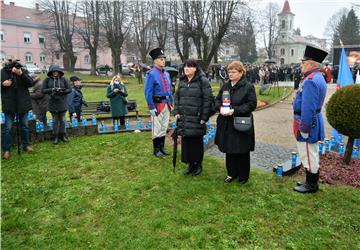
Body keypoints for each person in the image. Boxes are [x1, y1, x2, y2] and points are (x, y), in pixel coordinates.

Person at [292, 45, 328, 193]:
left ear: (312, 64)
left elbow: (308, 108)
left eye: (304, 62)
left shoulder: (310, 81)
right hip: (311, 119)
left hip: (307, 122)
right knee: (310, 153)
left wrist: (304, 128)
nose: (301, 65)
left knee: (308, 153)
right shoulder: (316, 77)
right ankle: (310, 181)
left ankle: (311, 184)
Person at [215, 61, 257, 184]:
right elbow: (217, 100)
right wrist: (220, 108)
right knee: (229, 149)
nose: (230, 74)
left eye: (233, 72)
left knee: (242, 149)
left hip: (240, 122)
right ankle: (231, 173)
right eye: (229, 71)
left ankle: (243, 175)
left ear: (241, 72)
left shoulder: (248, 86)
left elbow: (251, 104)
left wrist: (234, 110)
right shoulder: (225, 86)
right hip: (226, 123)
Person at [173, 59, 214, 176]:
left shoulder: (202, 81)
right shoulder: (182, 81)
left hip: (197, 117)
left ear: (195, 68)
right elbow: (177, 98)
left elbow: (208, 100)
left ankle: (198, 164)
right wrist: (176, 111)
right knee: (186, 142)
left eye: (189, 66)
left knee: (196, 142)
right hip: (185, 117)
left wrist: (204, 116)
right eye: (185, 66)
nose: (186, 68)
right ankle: (190, 165)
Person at [1, 59, 34, 159]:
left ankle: (26, 145)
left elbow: (30, 83)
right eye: (11, 60)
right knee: (8, 128)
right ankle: (7, 149)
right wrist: (2, 84)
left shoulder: (23, 70)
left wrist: (21, 74)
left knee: (24, 126)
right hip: (9, 104)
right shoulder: (2, 72)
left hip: (22, 103)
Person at [144, 48, 174, 157]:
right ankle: (156, 149)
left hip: (166, 104)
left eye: (164, 58)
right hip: (157, 105)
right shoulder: (151, 74)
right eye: (160, 59)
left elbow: (170, 90)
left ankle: (162, 148)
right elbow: (148, 92)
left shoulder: (166, 74)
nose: (163, 60)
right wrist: (151, 107)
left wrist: (171, 103)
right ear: (155, 61)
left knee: (164, 127)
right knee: (156, 128)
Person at [42, 64, 71, 144]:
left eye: (56, 71)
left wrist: (62, 91)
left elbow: (69, 89)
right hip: (52, 102)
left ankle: (63, 135)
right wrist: (52, 90)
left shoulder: (64, 79)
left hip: (62, 102)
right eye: (53, 71)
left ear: (59, 72)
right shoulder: (47, 80)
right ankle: (55, 136)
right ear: (51, 72)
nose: (55, 73)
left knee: (62, 119)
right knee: (55, 120)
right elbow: (43, 90)